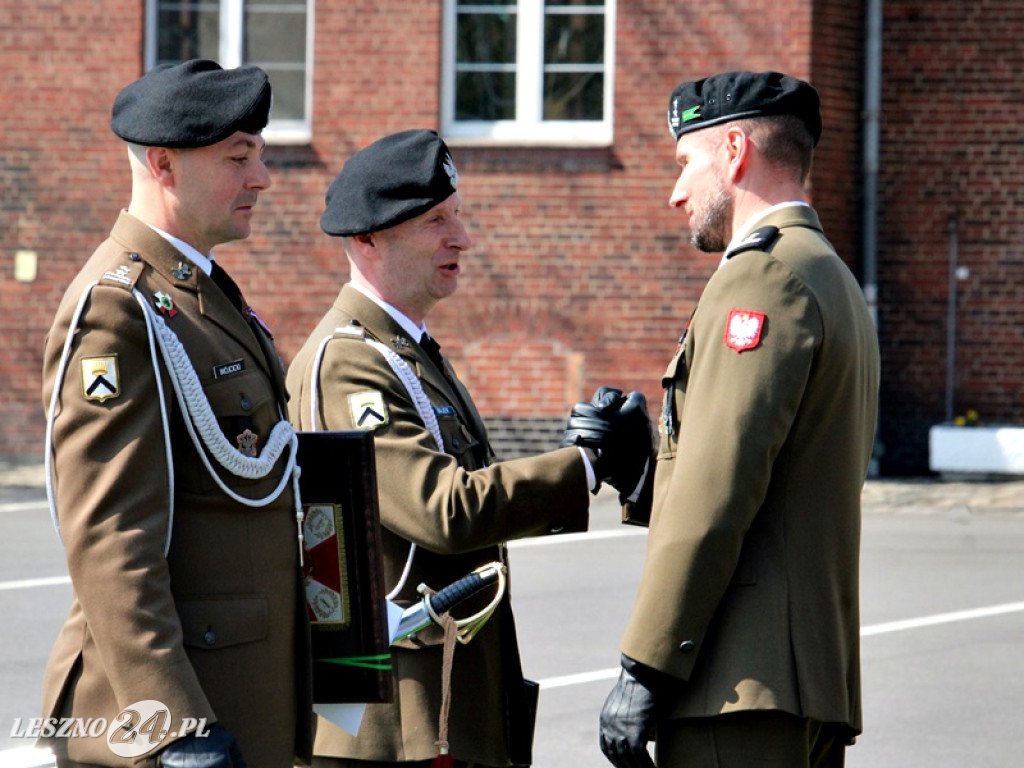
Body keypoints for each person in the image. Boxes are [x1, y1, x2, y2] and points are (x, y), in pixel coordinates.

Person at [286, 129, 651, 768]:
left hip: (444, 699)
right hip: (394, 718)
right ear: (367, 238)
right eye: (435, 221)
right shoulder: (348, 361)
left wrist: (575, 458)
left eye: (457, 215)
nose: (462, 237)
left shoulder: (406, 353)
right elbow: (442, 509)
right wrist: (584, 464)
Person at [588, 71, 881, 767]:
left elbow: (720, 491)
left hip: (738, 680)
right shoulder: (830, 275)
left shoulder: (761, 276)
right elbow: (782, 477)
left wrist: (645, 667)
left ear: (735, 149)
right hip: (802, 679)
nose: (676, 191)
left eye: (686, 163)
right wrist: (642, 474)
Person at [40, 60, 311, 767]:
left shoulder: (201, 296)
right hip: (165, 716)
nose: (262, 178)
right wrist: (173, 722)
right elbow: (111, 536)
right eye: (239, 156)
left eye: (260, 155)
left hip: (245, 690)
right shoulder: (116, 308)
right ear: (163, 164)